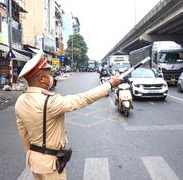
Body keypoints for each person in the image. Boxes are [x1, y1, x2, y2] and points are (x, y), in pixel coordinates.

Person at [14, 50, 122, 180]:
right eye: (49, 74)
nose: (51, 77)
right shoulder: (49, 101)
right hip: (50, 165)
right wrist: (110, 84)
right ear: (41, 78)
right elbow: (83, 98)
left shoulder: (20, 101)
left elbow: (24, 134)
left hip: (34, 161)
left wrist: (32, 155)